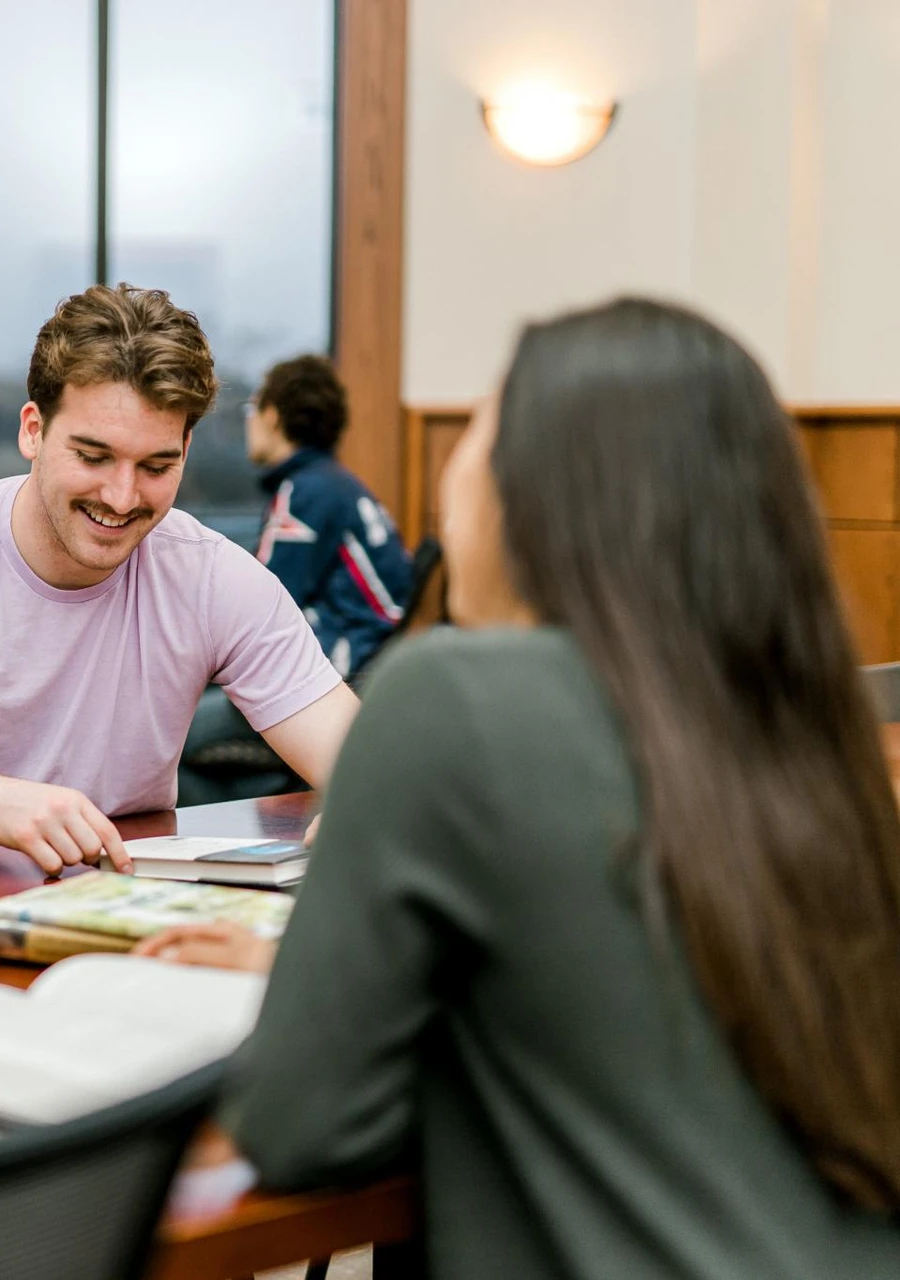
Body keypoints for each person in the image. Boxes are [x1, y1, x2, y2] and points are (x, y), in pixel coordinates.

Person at [139, 298, 900, 1277]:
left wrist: (320, 1001)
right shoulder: (803, 723)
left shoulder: (452, 697)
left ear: (541, 495)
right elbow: (641, 1000)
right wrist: (338, 982)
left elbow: (301, 1128)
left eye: (482, 426)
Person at [0, 284, 358, 875]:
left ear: (186, 449)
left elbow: (358, 756)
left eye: (157, 466)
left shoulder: (214, 575)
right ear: (33, 430)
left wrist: (367, 799)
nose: (121, 497)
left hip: (125, 911)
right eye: (93, 456)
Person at [246, 354, 412, 678]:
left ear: (272, 416)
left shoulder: (306, 492)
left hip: (352, 658)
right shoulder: (332, 482)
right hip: (375, 651)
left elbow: (263, 607)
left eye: (251, 409)